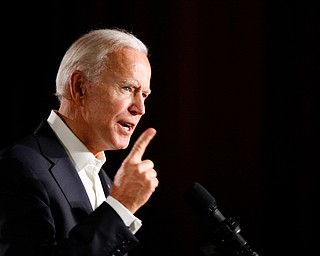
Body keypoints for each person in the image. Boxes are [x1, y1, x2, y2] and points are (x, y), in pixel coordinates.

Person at [0, 28, 158, 256]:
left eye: (144, 95)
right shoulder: (17, 167)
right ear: (80, 88)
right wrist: (120, 207)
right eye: (127, 88)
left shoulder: (104, 180)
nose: (140, 109)